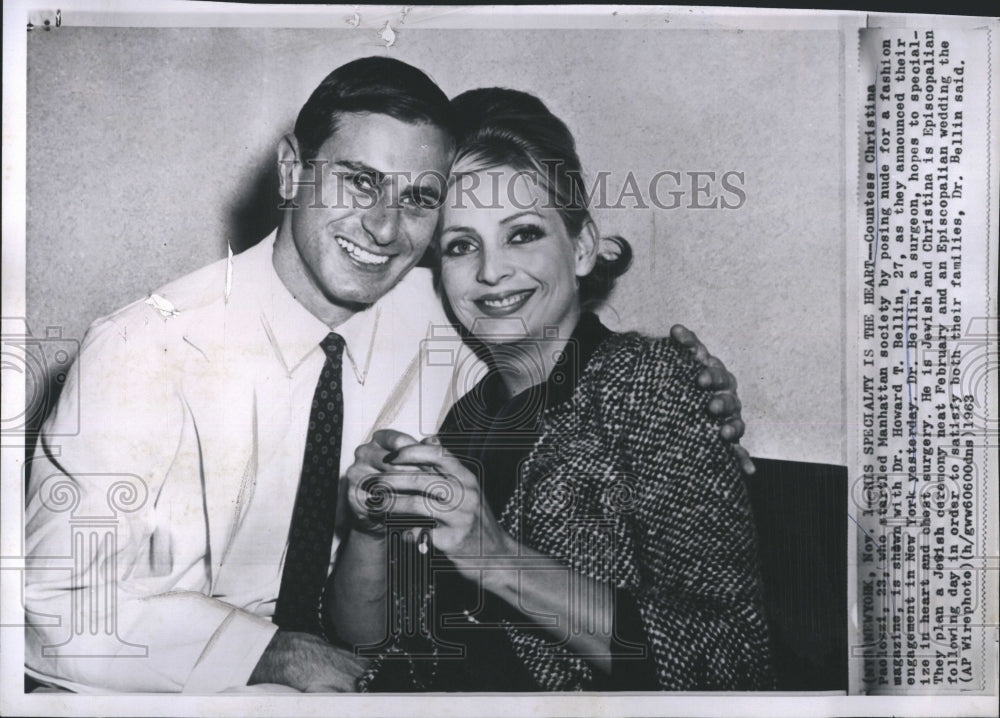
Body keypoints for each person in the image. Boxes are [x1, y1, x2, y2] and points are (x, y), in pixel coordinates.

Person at [24, 58, 747, 694]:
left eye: (418, 200)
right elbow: (55, 604)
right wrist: (264, 652)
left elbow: (569, 359)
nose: (381, 227)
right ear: (289, 170)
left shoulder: (448, 318)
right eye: (360, 181)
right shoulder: (144, 350)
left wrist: (695, 394)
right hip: (173, 684)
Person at [331, 88, 772, 691]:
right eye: (461, 245)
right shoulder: (462, 417)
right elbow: (364, 645)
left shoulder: (648, 384)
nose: (490, 271)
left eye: (522, 235)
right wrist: (368, 524)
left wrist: (498, 557)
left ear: (583, 247)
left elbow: (731, 656)